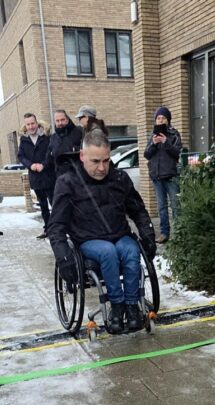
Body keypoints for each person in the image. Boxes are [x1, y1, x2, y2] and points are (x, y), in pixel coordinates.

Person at [47, 129, 156, 334]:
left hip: (119, 235)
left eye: (106, 161)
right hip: (88, 240)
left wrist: (148, 234)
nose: (102, 168)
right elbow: (56, 225)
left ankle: (132, 306)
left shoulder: (119, 178)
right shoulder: (68, 182)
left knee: (131, 250)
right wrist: (63, 257)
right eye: (95, 161)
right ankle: (117, 306)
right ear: (82, 156)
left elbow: (138, 210)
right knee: (108, 252)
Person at [144, 106, 182, 244]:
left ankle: (179, 233)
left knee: (176, 206)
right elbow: (146, 154)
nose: (160, 120)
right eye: (158, 118)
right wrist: (154, 144)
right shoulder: (153, 135)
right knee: (161, 207)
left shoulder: (174, 134)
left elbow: (177, 153)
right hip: (157, 176)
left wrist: (166, 142)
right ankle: (164, 233)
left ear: (168, 120)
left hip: (171, 176)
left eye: (163, 118)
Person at [17, 113, 53, 239]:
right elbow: (21, 156)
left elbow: (51, 153)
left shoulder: (46, 136)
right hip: (35, 178)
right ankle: (47, 229)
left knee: (55, 204)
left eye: (33, 123)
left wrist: (44, 165)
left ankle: (58, 229)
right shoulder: (24, 140)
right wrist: (30, 165)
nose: (31, 126)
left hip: (49, 176)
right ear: (25, 125)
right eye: (28, 124)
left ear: (37, 123)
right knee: (43, 205)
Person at [48, 108, 82, 182]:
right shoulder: (53, 138)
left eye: (62, 120)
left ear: (67, 119)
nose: (60, 123)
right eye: (57, 121)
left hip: (78, 176)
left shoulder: (78, 132)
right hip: (60, 178)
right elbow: (49, 158)